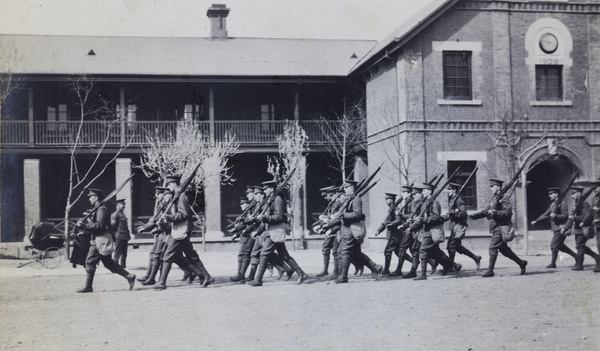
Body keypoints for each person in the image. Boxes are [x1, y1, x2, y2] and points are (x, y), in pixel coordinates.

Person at [155, 175, 214, 290]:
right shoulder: (176, 196)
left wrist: (169, 217)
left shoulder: (181, 196)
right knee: (191, 256)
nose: (168, 187)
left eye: (169, 184)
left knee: (167, 255)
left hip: (180, 231)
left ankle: (162, 282)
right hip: (179, 230)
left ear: (174, 184)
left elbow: (183, 214)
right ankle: (206, 277)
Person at [247, 180, 308, 287]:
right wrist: (259, 227)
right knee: (284, 255)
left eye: (266, 189)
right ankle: (301, 274)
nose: (264, 191)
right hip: (272, 230)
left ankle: (258, 280)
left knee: (264, 254)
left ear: (272, 189)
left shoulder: (278, 199)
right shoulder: (271, 199)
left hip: (276, 230)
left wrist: (266, 217)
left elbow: (279, 217)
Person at [76, 188, 136, 293]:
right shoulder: (98, 209)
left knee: (89, 262)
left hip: (100, 239)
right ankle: (129, 276)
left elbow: (99, 226)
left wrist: (84, 225)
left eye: (91, 196)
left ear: (96, 197)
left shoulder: (101, 210)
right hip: (99, 239)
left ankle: (88, 287)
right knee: (109, 263)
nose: (89, 199)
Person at [470, 179, 527, 277]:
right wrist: (475, 216)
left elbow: (508, 213)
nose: (491, 188)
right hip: (496, 226)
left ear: (499, 187)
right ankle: (521, 263)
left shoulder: (504, 198)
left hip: (502, 226)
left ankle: (490, 271)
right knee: (503, 249)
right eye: (490, 186)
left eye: (493, 186)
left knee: (492, 247)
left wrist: (495, 212)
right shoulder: (495, 198)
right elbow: (487, 210)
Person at [334, 179, 383, 284]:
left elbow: (358, 214)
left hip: (352, 229)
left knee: (345, 251)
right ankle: (376, 267)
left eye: (347, 188)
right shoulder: (349, 199)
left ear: (352, 188)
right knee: (354, 253)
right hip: (346, 229)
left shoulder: (356, 199)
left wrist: (343, 215)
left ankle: (343, 276)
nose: (345, 189)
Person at [412, 182, 462, 280]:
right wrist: (411, 227)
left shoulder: (434, 203)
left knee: (423, 250)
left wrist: (423, 220)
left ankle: (423, 275)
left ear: (429, 191)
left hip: (432, 231)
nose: (422, 193)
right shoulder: (425, 203)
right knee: (435, 252)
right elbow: (420, 218)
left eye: (424, 191)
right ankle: (455, 266)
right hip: (426, 230)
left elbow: (436, 217)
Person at [530, 187, 576, 268]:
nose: (549, 196)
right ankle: (577, 256)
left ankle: (553, 263)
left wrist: (556, 216)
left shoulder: (562, 203)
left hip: (561, 228)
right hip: (556, 228)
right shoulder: (553, 204)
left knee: (553, 245)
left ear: (556, 194)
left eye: (551, 194)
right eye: (549, 194)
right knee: (560, 245)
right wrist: (536, 221)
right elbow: (546, 214)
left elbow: (565, 215)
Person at [562, 184, 600, 271]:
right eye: (572, 193)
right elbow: (571, 217)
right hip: (577, 228)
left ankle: (580, 265)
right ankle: (596, 258)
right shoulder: (576, 204)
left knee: (580, 246)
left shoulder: (584, 204)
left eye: (574, 193)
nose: (572, 195)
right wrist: (565, 227)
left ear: (579, 194)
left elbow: (585, 217)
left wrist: (575, 218)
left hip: (584, 227)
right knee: (581, 246)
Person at [446, 182, 481, 269]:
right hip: (454, 226)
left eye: (450, 189)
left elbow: (463, 214)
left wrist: (452, 214)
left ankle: (450, 266)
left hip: (458, 226)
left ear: (454, 190)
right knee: (456, 246)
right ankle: (475, 258)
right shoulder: (452, 200)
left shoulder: (459, 200)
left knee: (451, 246)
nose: (448, 191)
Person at [386, 185, 414, 276]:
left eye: (404, 192)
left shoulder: (412, 203)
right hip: (406, 229)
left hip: (410, 229)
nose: (402, 194)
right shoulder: (407, 202)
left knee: (413, 251)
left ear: (409, 193)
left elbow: (412, 216)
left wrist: (401, 215)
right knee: (403, 251)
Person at [316, 185, 339, 277]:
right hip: (330, 229)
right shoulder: (332, 203)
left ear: (332, 194)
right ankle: (325, 270)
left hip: (335, 229)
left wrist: (327, 221)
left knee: (335, 251)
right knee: (326, 249)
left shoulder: (337, 203)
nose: (326, 198)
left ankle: (336, 271)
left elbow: (337, 218)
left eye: (327, 196)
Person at [376, 193, 401, 275]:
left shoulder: (396, 209)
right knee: (399, 252)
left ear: (392, 200)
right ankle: (430, 262)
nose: (385, 201)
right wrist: (378, 230)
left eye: (387, 199)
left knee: (388, 251)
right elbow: (385, 222)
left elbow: (399, 220)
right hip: (392, 234)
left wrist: (392, 224)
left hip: (395, 234)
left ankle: (386, 269)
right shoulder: (390, 209)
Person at [111, 198, 130, 268]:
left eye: (124, 204)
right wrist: (114, 236)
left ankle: (123, 267)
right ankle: (114, 267)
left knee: (124, 253)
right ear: (117, 205)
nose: (124, 206)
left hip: (124, 236)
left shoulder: (122, 214)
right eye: (122, 204)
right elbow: (113, 227)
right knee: (117, 253)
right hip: (119, 236)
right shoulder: (115, 214)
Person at [591, 181, 600, 272]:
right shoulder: (595, 197)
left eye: (596, 187)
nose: (594, 189)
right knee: (599, 243)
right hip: (597, 224)